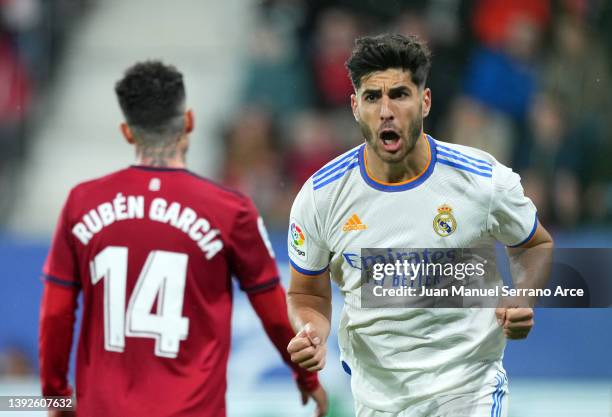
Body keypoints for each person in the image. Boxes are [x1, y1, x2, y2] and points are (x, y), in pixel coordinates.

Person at [39, 61, 327, 417]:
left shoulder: (82, 203)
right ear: (188, 121)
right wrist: (306, 377)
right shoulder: (231, 210)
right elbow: (274, 313)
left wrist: (55, 395)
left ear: (128, 132)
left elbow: (56, 314)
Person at [286, 34, 553, 417]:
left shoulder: (482, 181)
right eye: (372, 98)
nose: (386, 111)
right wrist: (311, 332)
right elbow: (307, 295)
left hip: (471, 391)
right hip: (378, 402)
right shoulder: (322, 197)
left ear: (425, 101)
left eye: (400, 94)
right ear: (355, 107)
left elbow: (534, 244)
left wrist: (523, 296)